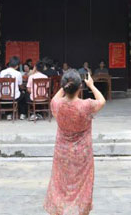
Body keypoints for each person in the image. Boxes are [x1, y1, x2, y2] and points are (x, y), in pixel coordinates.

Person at [44, 71, 106, 215]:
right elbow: (102, 101)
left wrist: (64, 85)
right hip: (82, 153)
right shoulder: (86, 105)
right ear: (80, 87)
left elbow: (55, 98)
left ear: (64, 87)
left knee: (61, 185)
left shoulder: (56, 104)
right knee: (83, 185)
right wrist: (91, 85)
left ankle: (60, 210)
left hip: (62, 152)